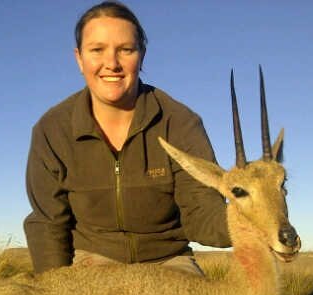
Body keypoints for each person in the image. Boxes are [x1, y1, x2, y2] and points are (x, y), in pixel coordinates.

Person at [23, 1, 230, 275]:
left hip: (168, 262)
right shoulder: (52, 129)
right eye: (97, 50)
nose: (111, 63)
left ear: (141, 56)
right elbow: (48, 224)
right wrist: (54, 292)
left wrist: (255, 217)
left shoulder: (180, 123)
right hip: (92, 261)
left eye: (126, 50)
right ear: (79, 58)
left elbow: (201, 215)